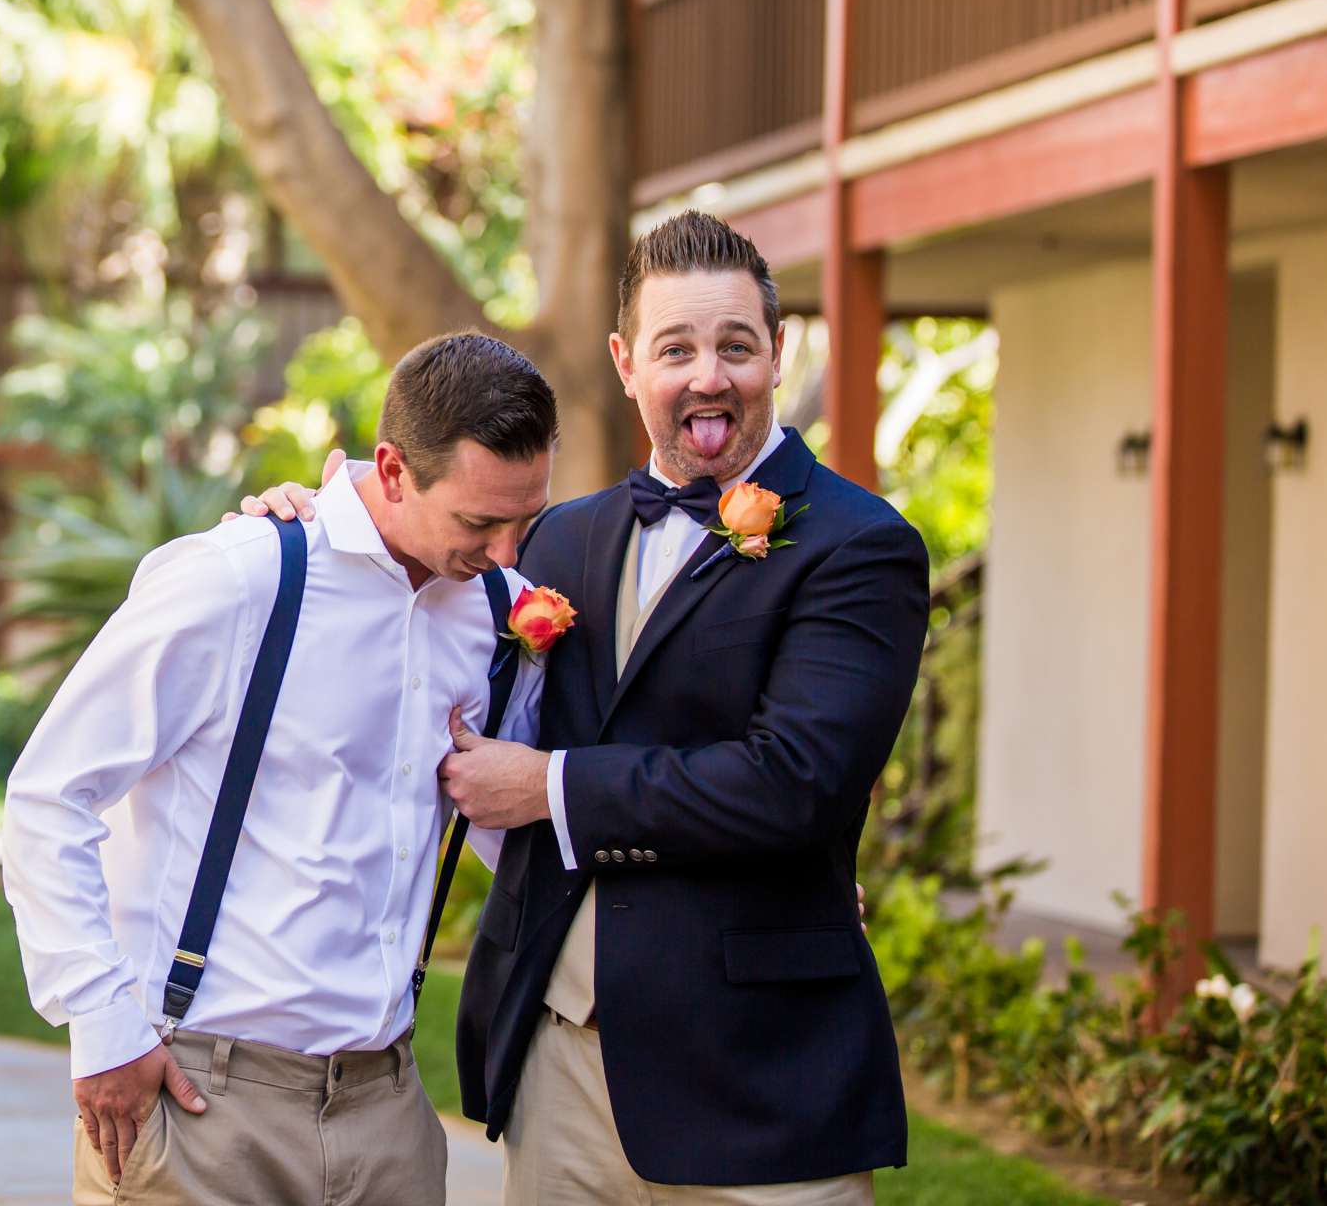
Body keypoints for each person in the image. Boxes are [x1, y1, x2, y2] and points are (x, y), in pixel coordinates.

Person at [244, 211, 928, 1203]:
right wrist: (315, 522)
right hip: (561, 1069)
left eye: (737, 346)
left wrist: (549, 786)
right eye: (676, 347)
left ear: (778, 352)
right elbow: (422, 607)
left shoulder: (858, 546)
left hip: (760, 1077)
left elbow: (797, 787)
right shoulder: (555, 542)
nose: (709, 375)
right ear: (624, 361)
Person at [3, 332, 565, 1206]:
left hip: (389, 1114)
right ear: (391, 468)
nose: (504, 552)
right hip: (203, 1109)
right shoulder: (240, 578)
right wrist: (103, 1027)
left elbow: (507, 836)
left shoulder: (491, 614)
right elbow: (51, 794)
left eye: (524, 521)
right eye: (478, 522)